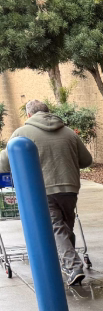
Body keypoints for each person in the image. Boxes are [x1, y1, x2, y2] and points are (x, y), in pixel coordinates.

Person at [0, 100, 93, 285]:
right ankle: (68, 262)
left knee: (56, 228)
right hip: (70, 188)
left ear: (29, 115)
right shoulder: (69, 133)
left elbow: (4, 164)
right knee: (65, 227)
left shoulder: (21, 134)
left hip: (42, 189)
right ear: (48, 112)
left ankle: (73, 266)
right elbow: (86, 160)